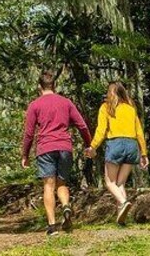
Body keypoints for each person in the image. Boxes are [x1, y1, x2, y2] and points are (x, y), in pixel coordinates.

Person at [21, 71, 92, 236]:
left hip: (46, 147)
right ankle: (66, 205)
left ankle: (52, 227)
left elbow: (29, 133)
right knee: (62, 184)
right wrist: (88, 144)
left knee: (48, 185)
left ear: (39, 87)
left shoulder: (35, 105)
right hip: (64, 147)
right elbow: (82, 125)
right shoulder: (66, 103)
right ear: (54, 85)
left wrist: (25, 154)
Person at [85, 81, 148, 225]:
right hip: (132, 145)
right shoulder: (131, 108)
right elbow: (139, 132)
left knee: (110, 182)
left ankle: (124, 202)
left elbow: (101, 131)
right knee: (120, 183)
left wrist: (93, 147)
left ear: (110, 93)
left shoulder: (106, 107)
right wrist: (144, 153)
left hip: (116, 144)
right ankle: (122, 218)